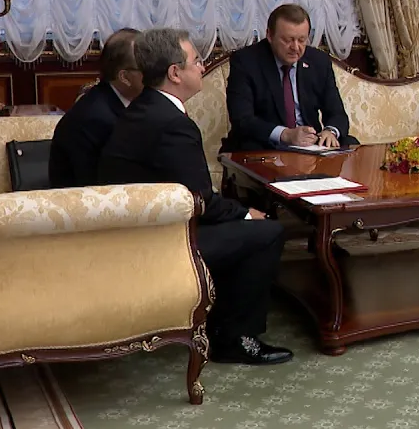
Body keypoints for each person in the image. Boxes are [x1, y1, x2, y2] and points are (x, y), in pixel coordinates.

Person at [97, 28, 293, 365]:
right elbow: (199, 201)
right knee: (267, 231)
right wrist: (246, 213)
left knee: (245, 222)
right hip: (157, 243)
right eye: (197, 60)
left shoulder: (146, 107)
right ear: (175, 72)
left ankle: (219, 322)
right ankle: (234, 339)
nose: (202, 67)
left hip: (139, 232)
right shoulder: (170, 123)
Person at [220, 3, 356, 153]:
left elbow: (337, 113)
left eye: (302, 40)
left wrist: (330, 131)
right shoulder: (245, 61)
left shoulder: (319, 61)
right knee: (250, 146)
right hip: (266, 144)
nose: (295, 47)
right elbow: (242, 119)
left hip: (310, 144)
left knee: (349, 143)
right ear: (269, 35)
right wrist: (286, 134)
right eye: (287, 40)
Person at [49, 28, 142, 188]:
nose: (156, 73)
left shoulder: (128, 100)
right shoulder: (95, 118)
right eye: (147, 67)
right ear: (125, 77)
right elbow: (104, 185)